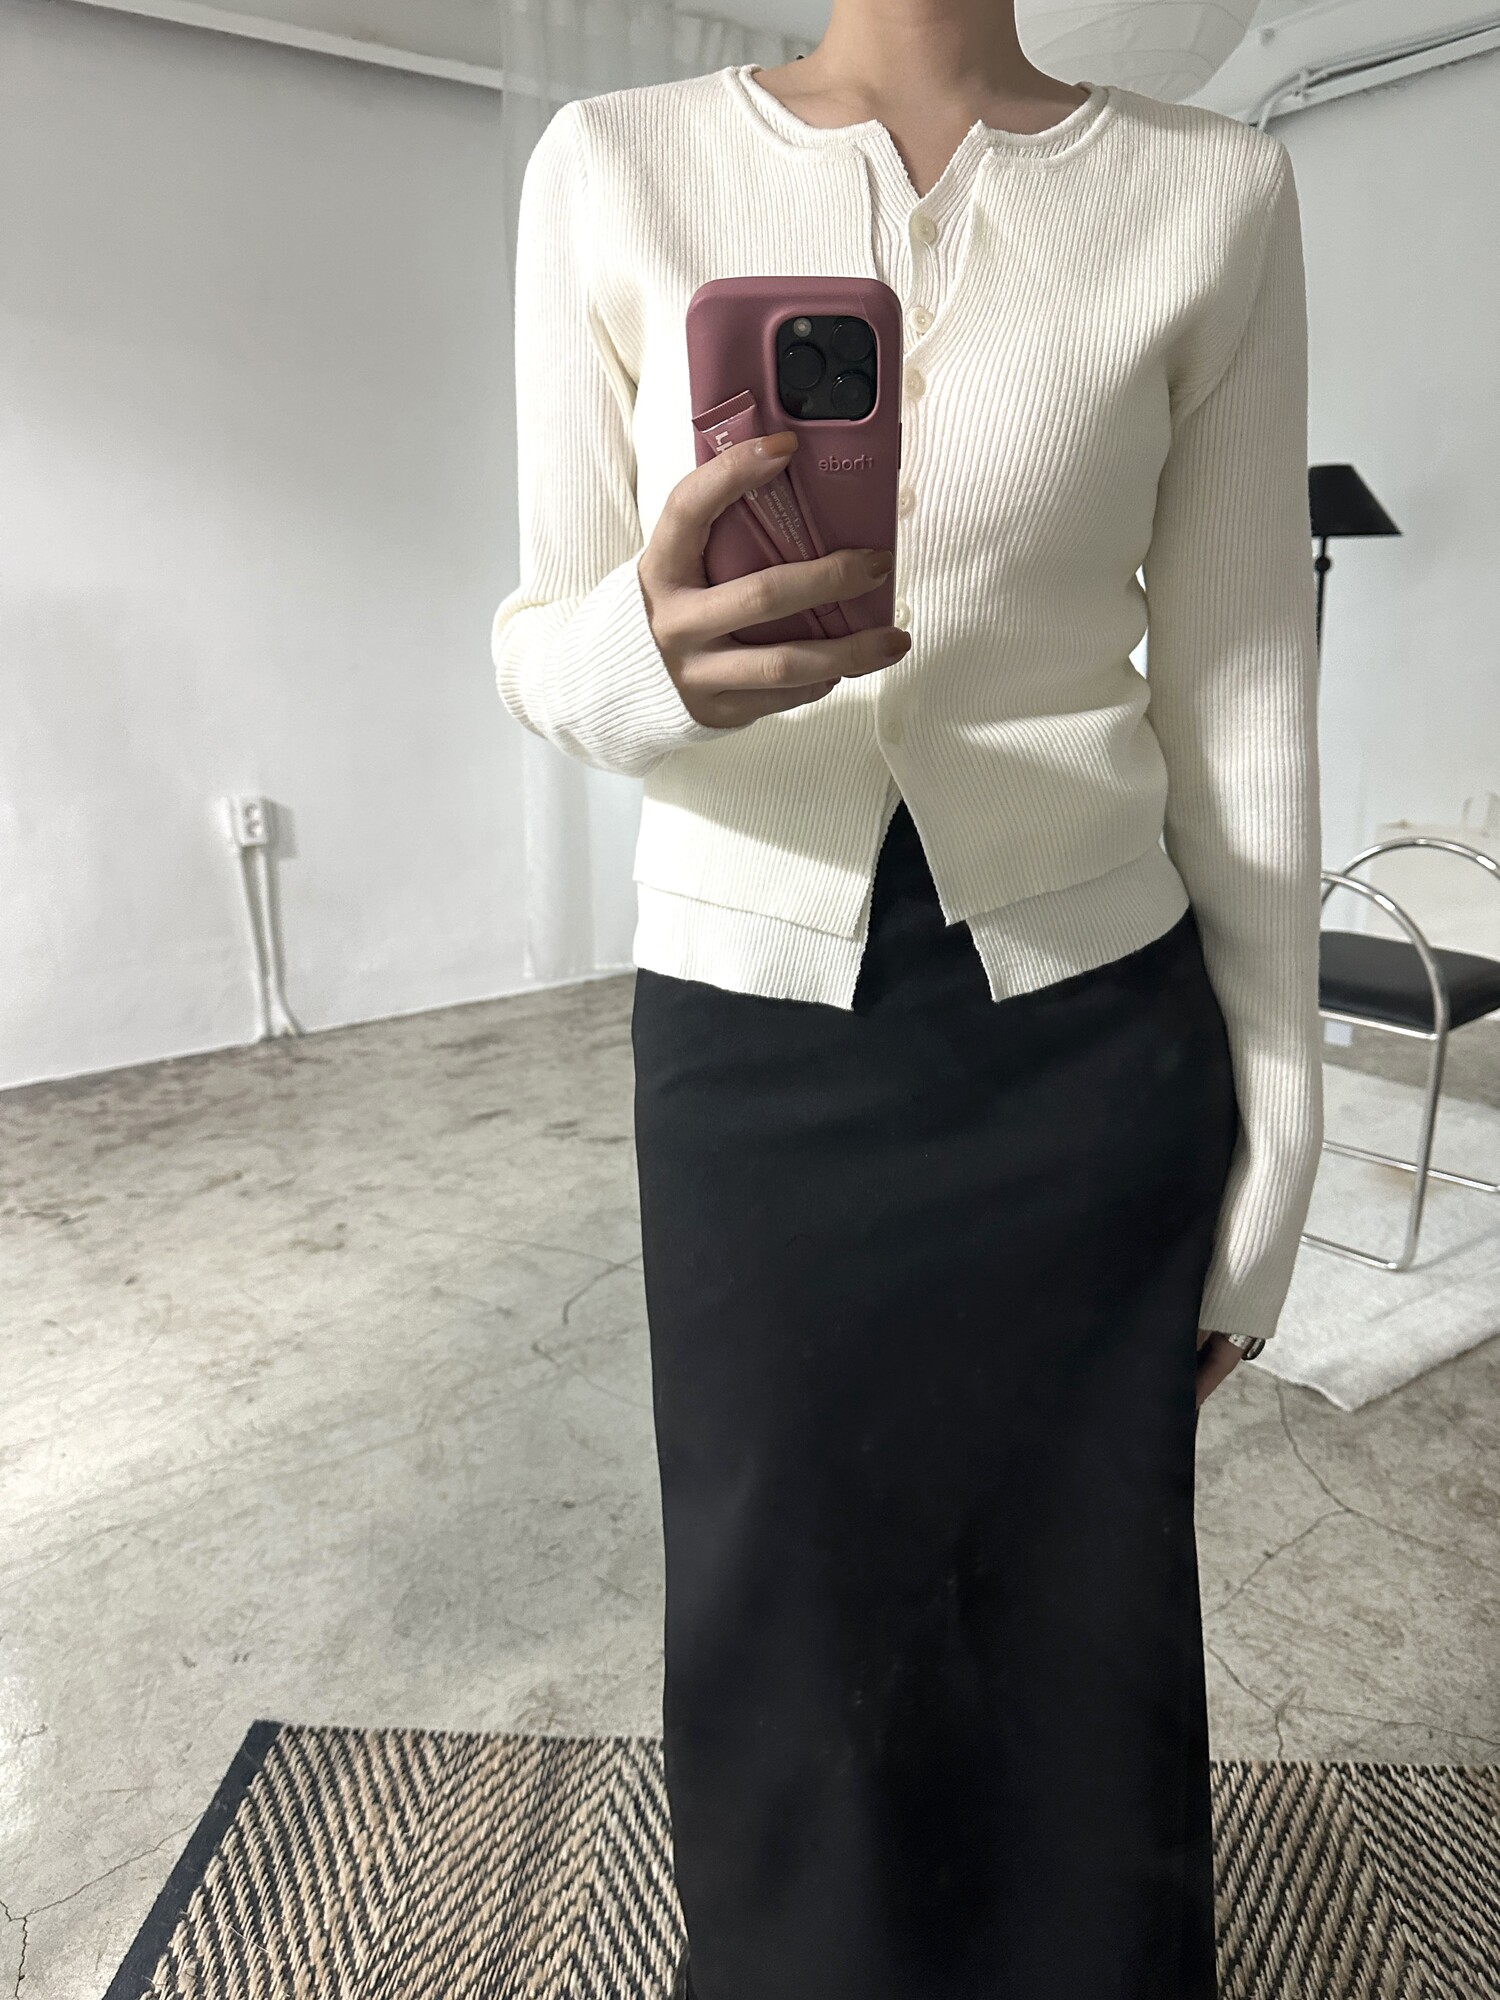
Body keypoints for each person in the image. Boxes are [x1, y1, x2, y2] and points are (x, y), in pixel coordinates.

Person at [492, 3, 1323, 1994]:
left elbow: (1243, 696)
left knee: (1084, 1645)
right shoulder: (615, 168)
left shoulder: (1213, 194)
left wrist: (1280, 1144)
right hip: (751, 1053)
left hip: (1090, 1042)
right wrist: (646, 658)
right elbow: (539, 635)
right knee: (782, 1642)